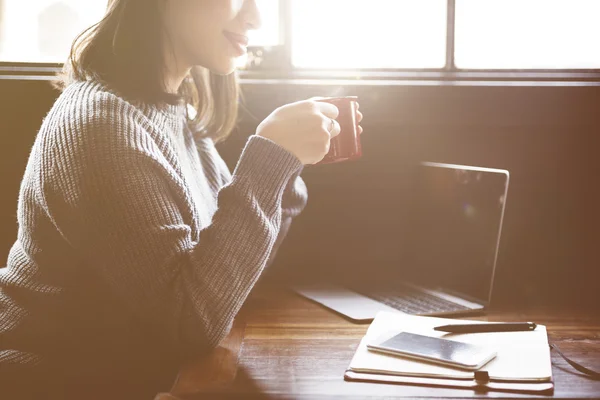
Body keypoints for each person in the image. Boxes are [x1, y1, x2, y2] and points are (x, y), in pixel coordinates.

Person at [0, 0, 363, 398]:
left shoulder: (174, 110)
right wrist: (271, 159)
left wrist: (284, 168)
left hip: (128, 374)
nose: (256, 18)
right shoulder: (101, 126)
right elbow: (190, 324)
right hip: (45, 379)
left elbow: (231, 279)